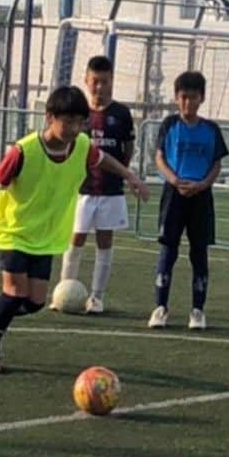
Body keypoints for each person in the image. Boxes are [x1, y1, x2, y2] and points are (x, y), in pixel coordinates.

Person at [0, 85, 148, 374]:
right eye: (68, 121)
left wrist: (130, 176)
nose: (74, 128)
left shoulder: (80, 146)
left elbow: (103, 160)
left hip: (46, 236)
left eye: (80, 122)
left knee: (36, 302)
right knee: (15, 294)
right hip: (14, 231)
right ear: (49, 117)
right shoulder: (23, 151)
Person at [150, 70, 229, 332]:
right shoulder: (169, 125)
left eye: (192, 98)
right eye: (183, 98)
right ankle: (160, 308)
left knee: (199, 253)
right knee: (168, 250)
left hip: (201, 197)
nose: (187, 103)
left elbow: (217, 163)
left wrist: (203, 184)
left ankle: (197, 310)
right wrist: (174, 180)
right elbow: (159, 157)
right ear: (176, 98)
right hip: (174, 195)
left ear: (202, 98)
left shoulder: (211, 129)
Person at [59, 55, 136, 315]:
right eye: (95, 82)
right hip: (82, 189)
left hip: (110, 190)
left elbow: (128, 147)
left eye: (105, 82)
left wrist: (122, 172)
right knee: (75, 239)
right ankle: (63, 290)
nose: (99, 87)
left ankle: (97, 297)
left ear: (112, 81)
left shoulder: (121, 114)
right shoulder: (80, 114)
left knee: (105, 241)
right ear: (86, 81)